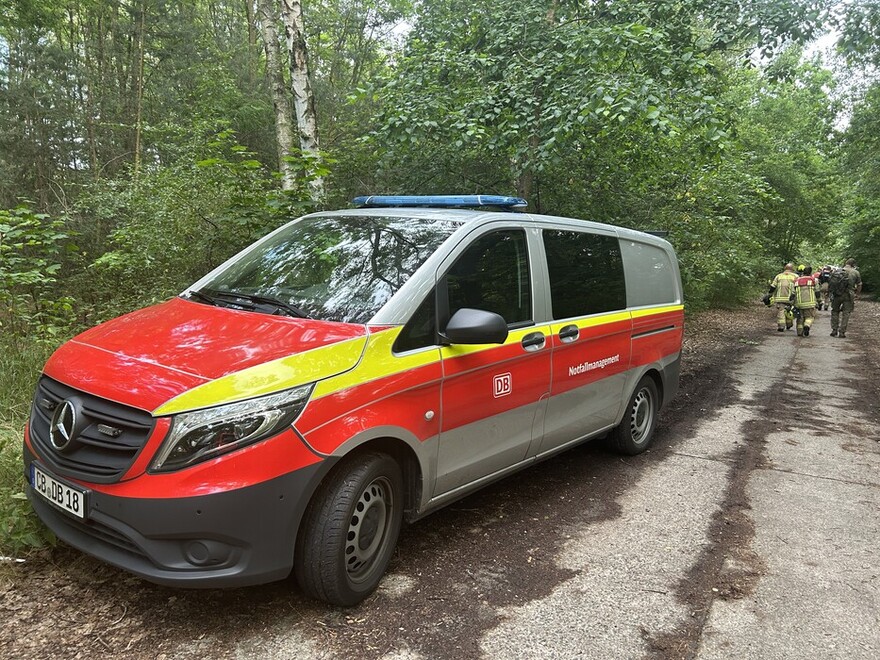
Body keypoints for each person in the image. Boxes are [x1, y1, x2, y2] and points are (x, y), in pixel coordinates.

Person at [830, 258, 863, 338]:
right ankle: (842, 332)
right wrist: (857, 294)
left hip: (837, 294)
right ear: (853, 265)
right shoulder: (855, 272)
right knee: (846, 313)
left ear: (846, 263)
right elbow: (859, 284)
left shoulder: (837, 271)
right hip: (849, 295)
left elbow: (832, 283)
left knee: (835, 311)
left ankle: (834, 330)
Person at [768, 263, 797, 332]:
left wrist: (770, 294)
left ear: (785, 268)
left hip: (780, 298)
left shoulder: (779, 276)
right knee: (789, 310)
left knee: (781, 311)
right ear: (792, 269)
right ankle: (789, 324)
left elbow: (773, 287)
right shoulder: (796, 276)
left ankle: (781, 326)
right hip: (791, 298)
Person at [792, 264, 819, 336]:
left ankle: (799, 332)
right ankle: (807, 326)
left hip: (799, 303)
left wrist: (791, 303)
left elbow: (792, 293)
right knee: (809, 317)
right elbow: (817, 292)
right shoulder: (814, 280)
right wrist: (819, 301)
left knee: (800, 319)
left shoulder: (796, 280)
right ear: (810, 272)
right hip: (810, 303)